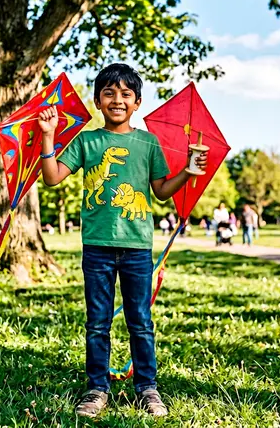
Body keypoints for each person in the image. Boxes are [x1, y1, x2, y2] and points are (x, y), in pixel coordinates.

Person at [39, 63, 208, 418]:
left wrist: (187, 171)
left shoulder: (147, 142)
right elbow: (52, 177)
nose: (117, 99)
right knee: (97, 322)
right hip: (97, 247)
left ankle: (147, 387)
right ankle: (97, 388)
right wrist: (48, 135)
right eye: (109, 93)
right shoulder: (86, 140)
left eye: (126, 94)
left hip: (137, 249)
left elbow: (161, 191)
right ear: (99, 101)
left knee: (140, 322)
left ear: (137, 103)